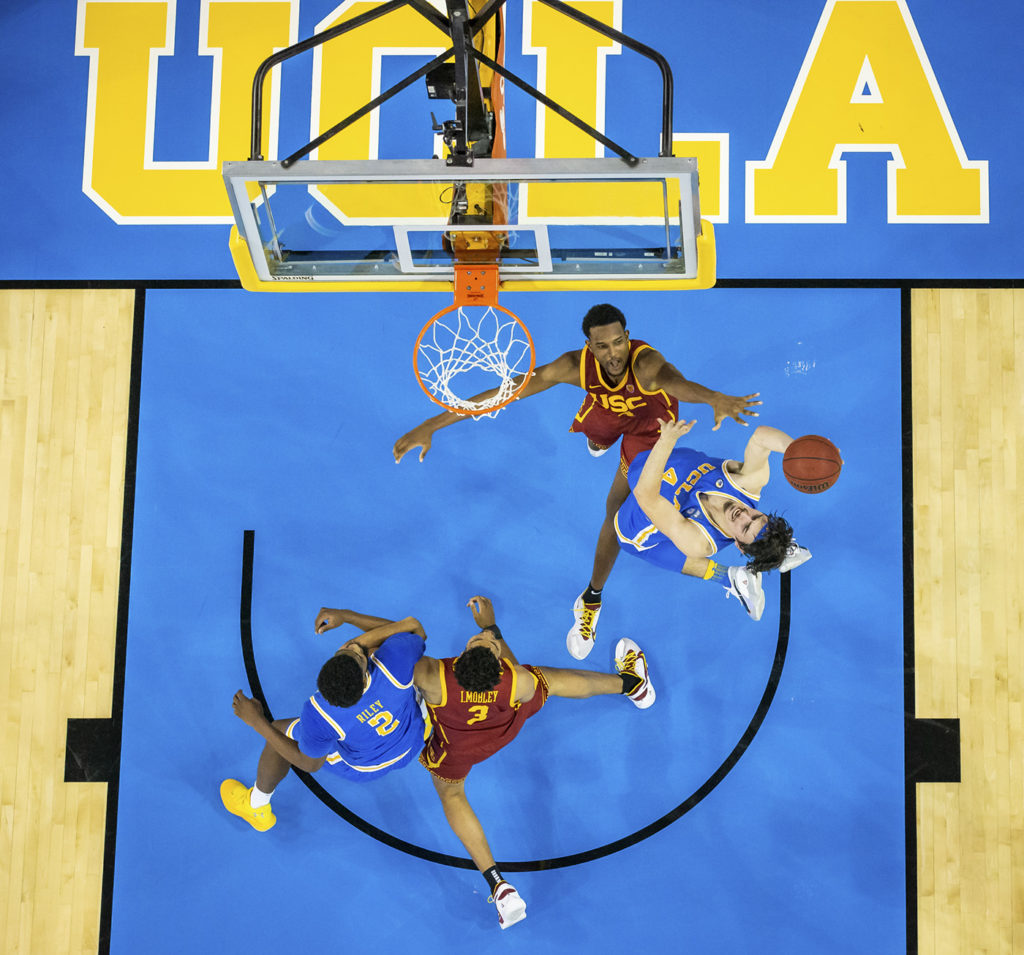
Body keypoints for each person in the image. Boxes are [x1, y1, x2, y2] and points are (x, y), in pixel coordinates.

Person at [393, 303, 761, 659]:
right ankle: (599, 440)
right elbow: (508, 390)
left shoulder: (645, 364)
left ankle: (591, 598)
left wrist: (716, 398)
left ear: (627, 337)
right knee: (597, 435)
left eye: (618, 342)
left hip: (650, 435)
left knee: (615, 515)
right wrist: (431, 425)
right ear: (589, 346)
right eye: (602, 346)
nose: (613, 352)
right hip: (607, 412)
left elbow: (676, 383)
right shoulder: (574, 366)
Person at [412, 595, 653, 930]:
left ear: (463, 654)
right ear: (498, 666)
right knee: (548, 680)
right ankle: (633, 685)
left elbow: (393, 654)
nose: (485, 640)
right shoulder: (514, 680)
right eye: (489, 644)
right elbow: (519, 670)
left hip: (455, 748)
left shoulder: (434, 675)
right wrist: (493, 629)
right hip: (499, 730)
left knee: (452, 795)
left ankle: (498, 882)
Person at [577, 418, 810, 655]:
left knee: (614, 519)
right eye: (754, 516)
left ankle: (592, 596)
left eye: (745, 528)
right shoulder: (749, 485)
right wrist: (799, 449)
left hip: (639, 516)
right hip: (662, 453)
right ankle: (750, 567)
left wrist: (666, 441)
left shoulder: (699, 541)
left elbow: (646, 495)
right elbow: (761, 437)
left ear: (738, 544)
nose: (742, 515)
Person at [221, 607, 428, 832]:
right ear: (366, 669)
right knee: (389, 645)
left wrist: (257, 722)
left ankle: (256, 806)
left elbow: (310, 763)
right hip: (413, 740)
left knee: (278, 731)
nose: (349, 646)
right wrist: (350, 622)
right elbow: (413, 627)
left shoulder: (321, 711)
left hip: (367, 767)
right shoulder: (394, 661)